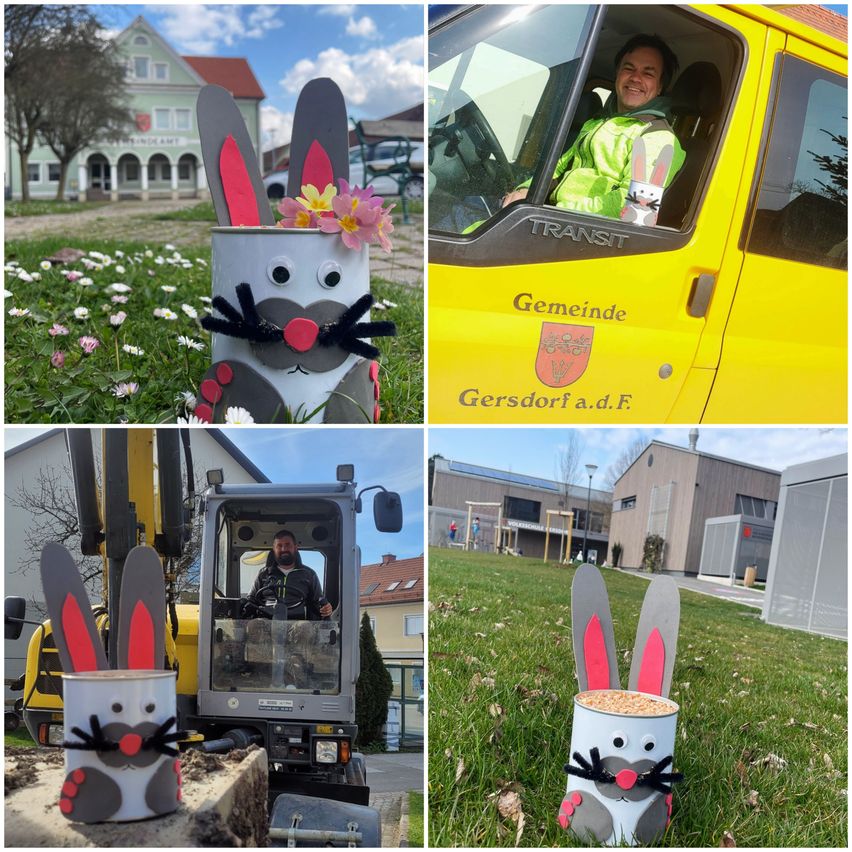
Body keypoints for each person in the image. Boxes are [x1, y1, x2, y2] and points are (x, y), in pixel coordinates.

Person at [501, 34, 686, 220]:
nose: (636, 78)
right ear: (618, 75)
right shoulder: (597, 123)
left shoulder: (658, 138)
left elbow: (637, 208)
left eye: (648, 73)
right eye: (628, 68)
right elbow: (559, 167)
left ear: (660, 86)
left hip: (584, 233)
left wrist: (555, 213)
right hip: (553, 219)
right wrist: (526, 190)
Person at [247, 529, 333, 620]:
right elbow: (251, 600)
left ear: (295, 547)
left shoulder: (309, 574)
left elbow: (318, 602)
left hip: (299, 625)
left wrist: (326, 608)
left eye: (288, 545)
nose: (284, 549)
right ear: (274, 548)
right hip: (267, 624)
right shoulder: (263, 574)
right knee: (254, 626)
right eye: (279, 546)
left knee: (306, 630)